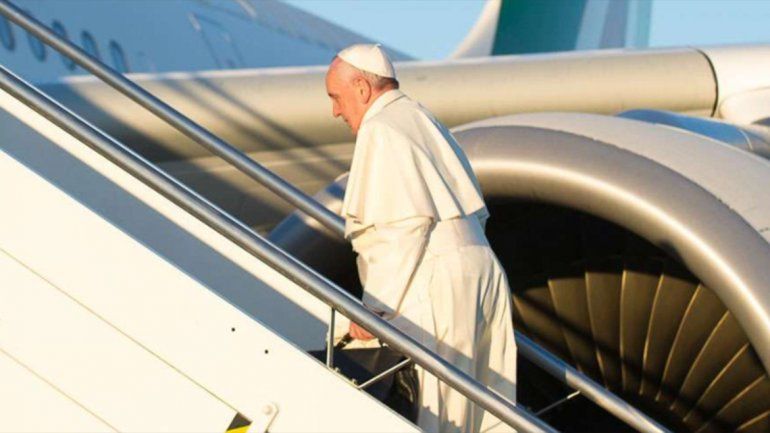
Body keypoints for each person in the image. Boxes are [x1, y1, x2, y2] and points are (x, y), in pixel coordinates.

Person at [325, 44, 517, 433]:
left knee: (436, 413)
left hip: (436, 278)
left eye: (336, 97)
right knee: (484, 414)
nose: (336, 111)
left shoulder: (380, 127)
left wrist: (375, 310)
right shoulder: (420, 117)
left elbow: (402, 227)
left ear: (361, 88)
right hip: (480, 269)